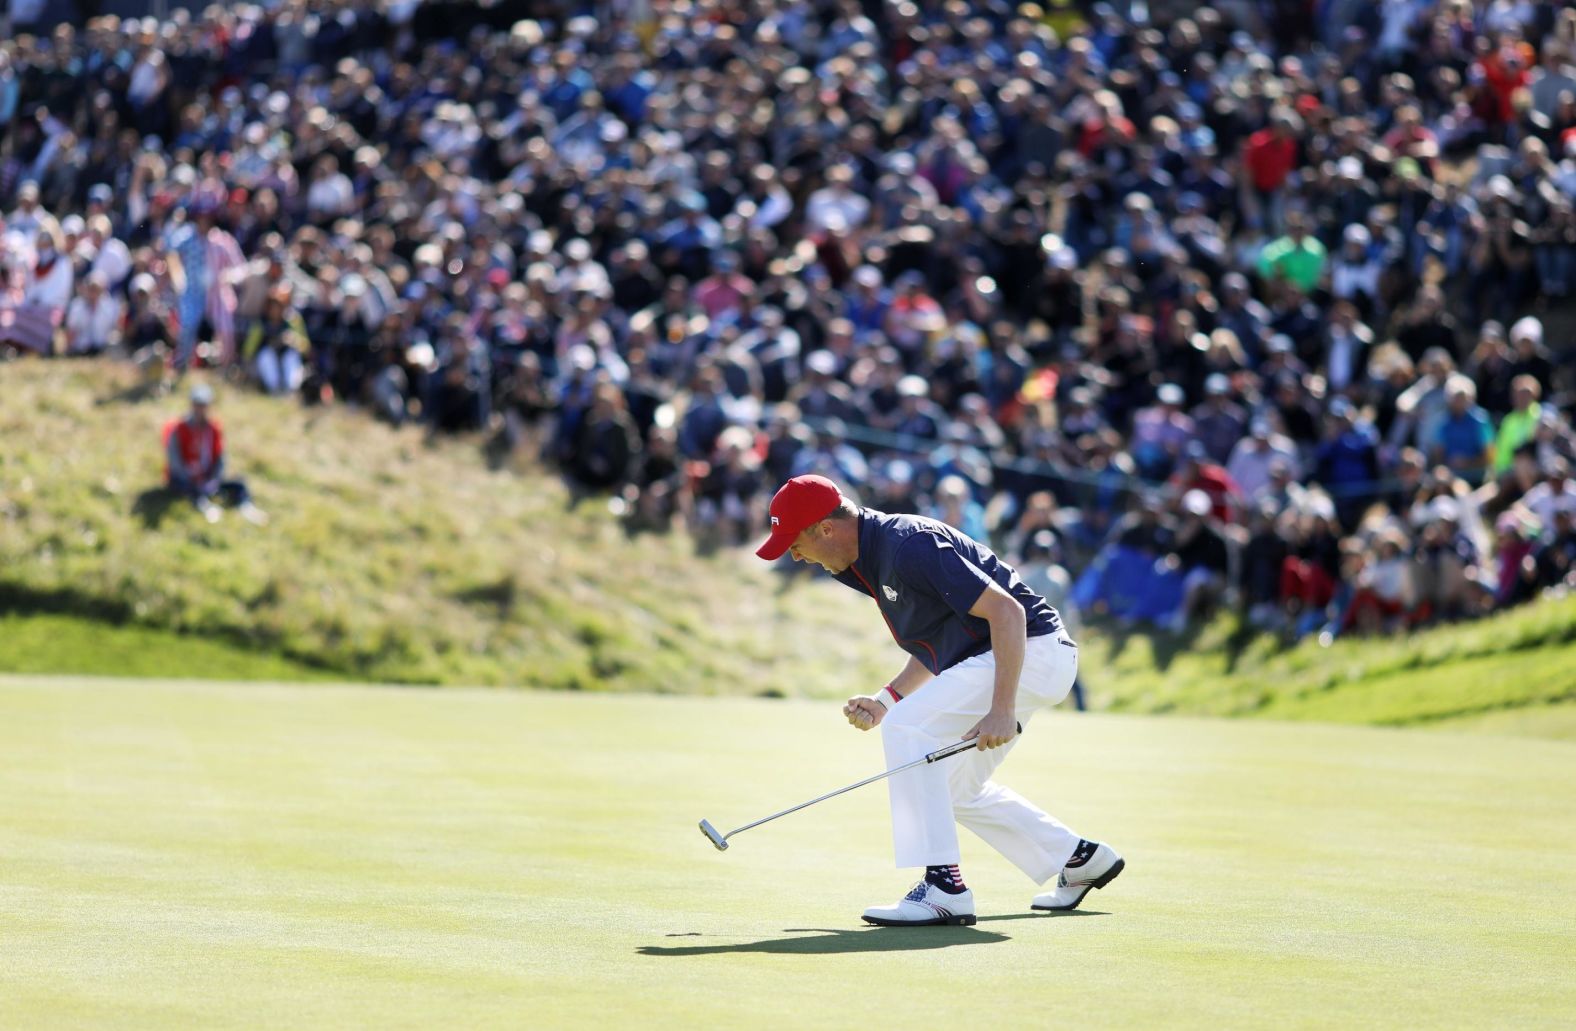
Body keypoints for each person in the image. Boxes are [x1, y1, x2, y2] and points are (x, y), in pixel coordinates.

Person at [754, 475, 1123, 926]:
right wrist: (888, 698)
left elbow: (1007, 614)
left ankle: (943, 887)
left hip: (1034, 651)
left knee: (908, 728)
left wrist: (1002, 708)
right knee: (953, 789)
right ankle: (1080, 858)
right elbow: (939, 646)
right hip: (1011, 659)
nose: (794, 554)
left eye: (794, 541)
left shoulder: (908, 545)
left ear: (825, 529)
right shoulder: (865, 562)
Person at [164, 384, 267, 525]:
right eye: (197, 404)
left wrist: (214, 479)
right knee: (183, 486)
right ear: (191, 404)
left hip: (207, 478)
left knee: (239, 484)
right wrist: (191, 478)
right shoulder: (178, 428)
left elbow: (220, 457)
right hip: (185, 479)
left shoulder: (214, 429)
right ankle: (204, 506)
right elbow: (174, 462)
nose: (200, 409)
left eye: (204, 405)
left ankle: (245, 507)